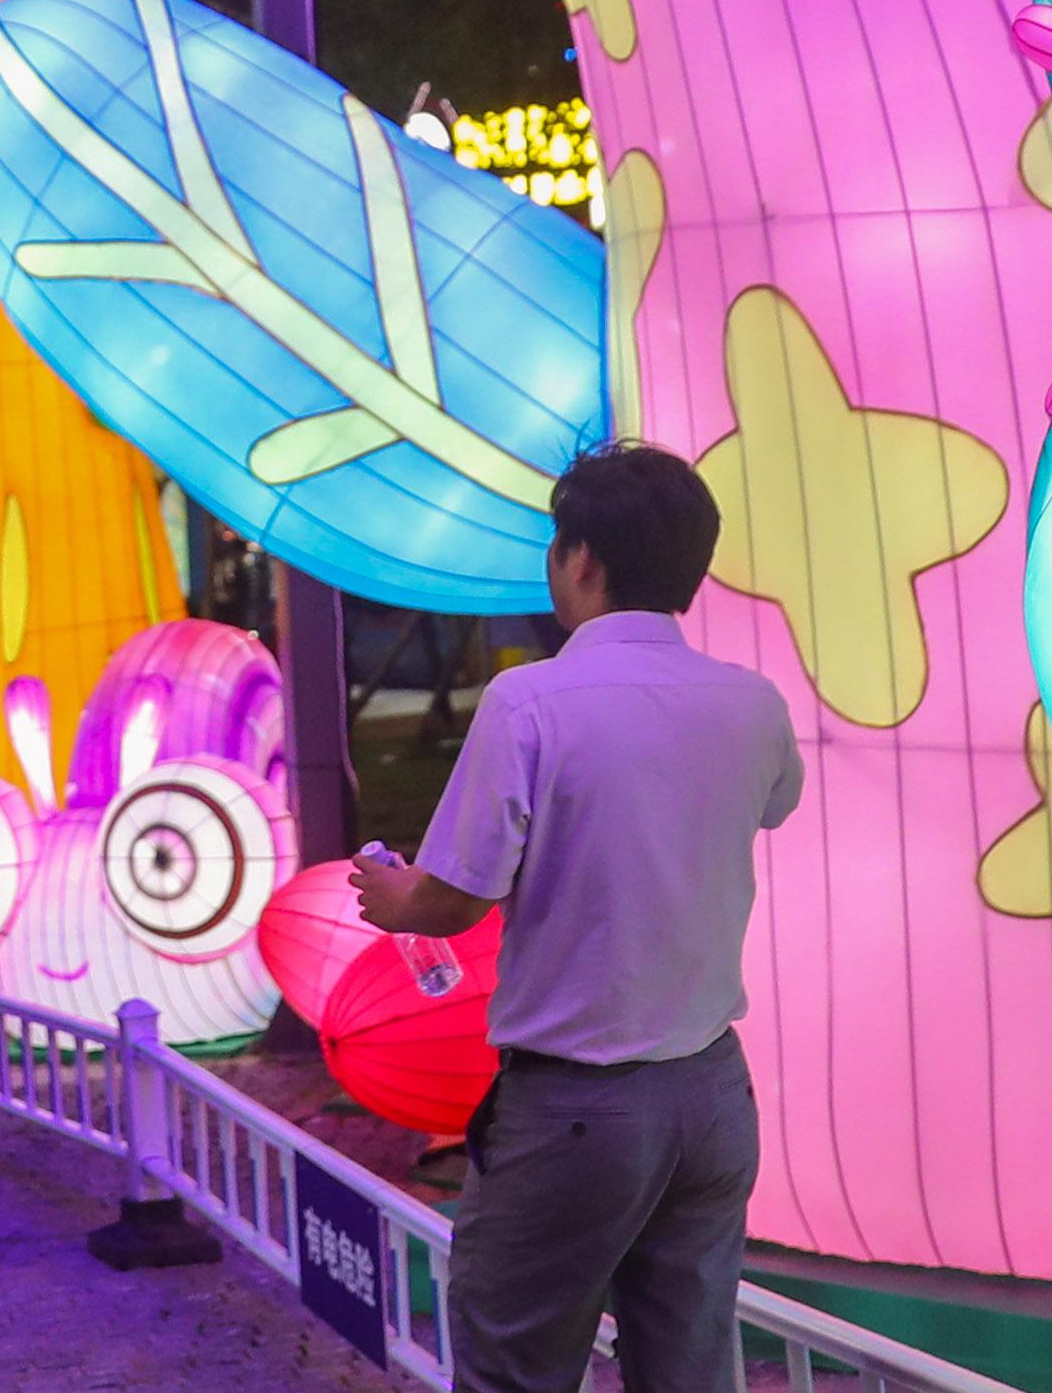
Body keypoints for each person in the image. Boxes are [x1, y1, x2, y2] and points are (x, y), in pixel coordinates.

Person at [353, 446, 804, 1393]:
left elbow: (456, 892)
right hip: (710, 1093)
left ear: (582, 559)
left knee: (514, 1364)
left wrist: (398, 904)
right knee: (687, 1369)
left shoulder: (529, 701)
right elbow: (772, 806)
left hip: (575, 1104)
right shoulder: (752, 703)